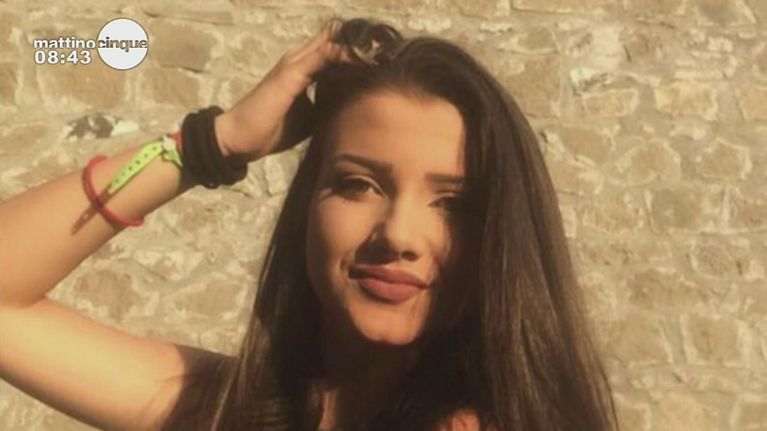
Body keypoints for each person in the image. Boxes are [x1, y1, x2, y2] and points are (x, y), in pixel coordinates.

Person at [0, 17, 620, 431]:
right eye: (359, 185)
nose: (399, 236)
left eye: (454, 203)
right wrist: (214, 144)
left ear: (503, 237)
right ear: (308, 205)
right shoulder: (225, 409)